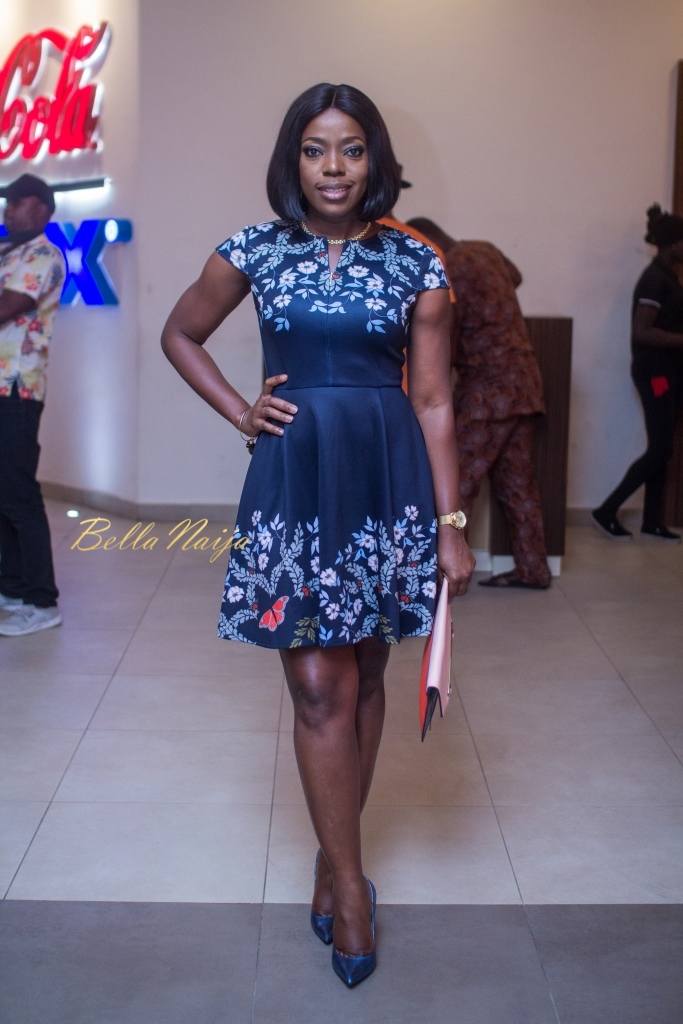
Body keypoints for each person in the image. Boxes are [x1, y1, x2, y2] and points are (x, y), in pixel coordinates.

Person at [161, 83, 475, 986]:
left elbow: (432, 399)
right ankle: (350, 885)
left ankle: (333, 858)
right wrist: (240, 410)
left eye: (350, 148)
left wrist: (450, 524)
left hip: (384, 481)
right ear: (291, 161)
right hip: (295, 480)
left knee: (366, 673)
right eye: (314, 149)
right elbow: (181, 333)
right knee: (314, 685)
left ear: (374, 159)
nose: (332, 167)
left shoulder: (417, 261)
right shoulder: (251, 250)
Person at [407, 217, 552, 589]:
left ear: (429, 241)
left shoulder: (447, 270)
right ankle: (534, 568)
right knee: (518, 483)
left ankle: (449, 572)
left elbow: (444, 343)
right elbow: (515, 276)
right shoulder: (485, 249)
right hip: (525, 380)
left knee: (460, 478)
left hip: (487, 391)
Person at [592, 204, 683, 542]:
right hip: (655, 373)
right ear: (672, 245)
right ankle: (606, 511)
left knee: (663, 447)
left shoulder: (668, 276)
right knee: (660, 448)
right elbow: (641, 331)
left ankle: (652, 522)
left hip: (669, 371)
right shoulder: (655, 280)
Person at [0, 174, 65, 637]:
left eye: (17, 202)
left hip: (17, 388)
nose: (8, 209)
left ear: (42, 208)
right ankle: (13, 586)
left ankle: (43, 601)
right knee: (3, 490)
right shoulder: (10, 252)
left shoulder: (42, 254)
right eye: (7, 202)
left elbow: (8, 305)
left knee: (18, 491)